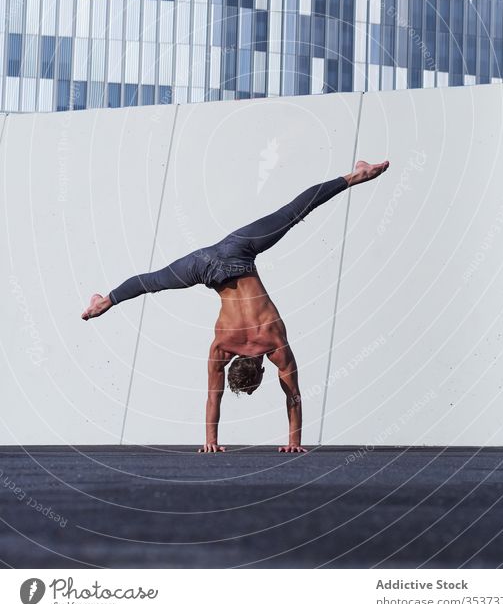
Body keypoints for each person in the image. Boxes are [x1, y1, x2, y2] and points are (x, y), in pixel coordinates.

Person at [82, 159, 389, 452]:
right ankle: (105, 301)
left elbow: (293, 396)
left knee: (293, 214)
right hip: (206, 265)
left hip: (238, 253)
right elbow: (213, 398)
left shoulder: (273, 344)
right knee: (154, 282)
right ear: (235, 364)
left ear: (260, 369)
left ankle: (357, 175)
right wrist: (209, 441)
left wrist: (294, 440)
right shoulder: (222, 349)